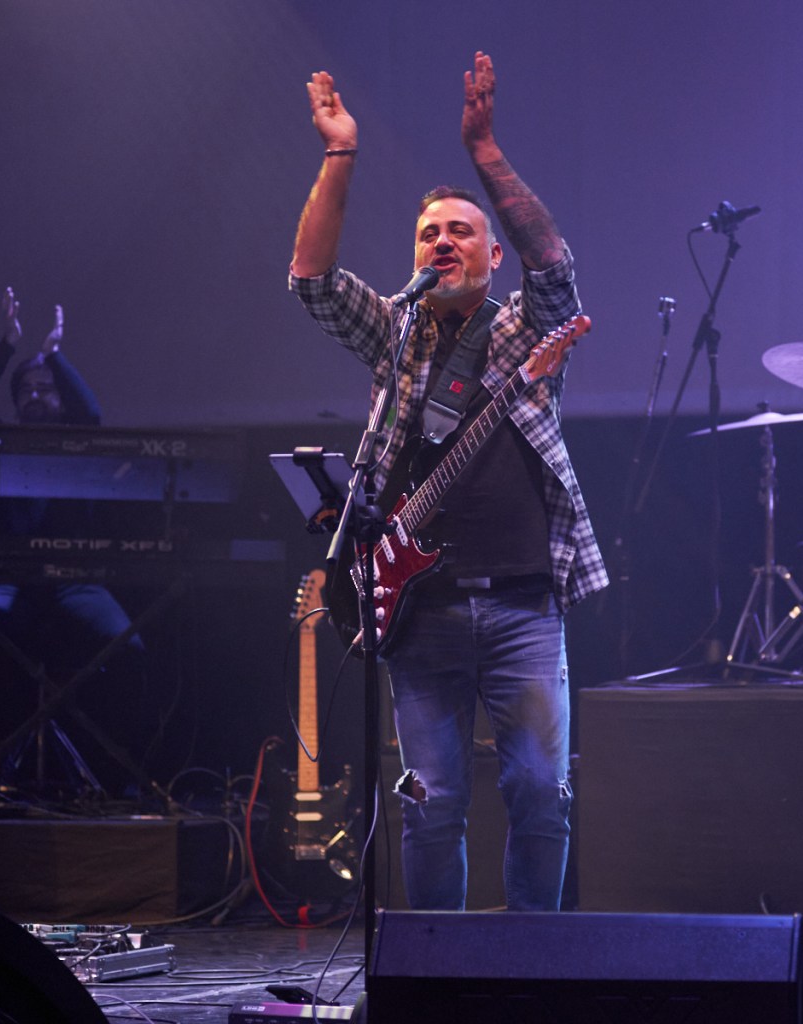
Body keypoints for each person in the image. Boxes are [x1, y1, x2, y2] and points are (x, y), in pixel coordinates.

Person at [289, 52, 608, 911]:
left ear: (493, 255)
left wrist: (485, 151)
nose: (442, 242)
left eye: (461, 232)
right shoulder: (396, 333)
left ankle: (529, 964)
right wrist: (340, 152)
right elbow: (312, 283)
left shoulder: (520, 332)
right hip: (417, 607)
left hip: (522, 605)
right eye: (430, 233)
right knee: (430, 807)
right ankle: (438, 969)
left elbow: (554, 268)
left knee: (540, 794)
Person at [0, 287, 152, 798]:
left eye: (46, 388)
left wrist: (55, 356)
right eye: (27, 389)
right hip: (12, 580)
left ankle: (115, 772)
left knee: (128, 647)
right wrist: (7, 346)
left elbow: (91, 415)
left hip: (75, 581)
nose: (36, 395)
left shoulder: (78, 440)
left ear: (60, 397)